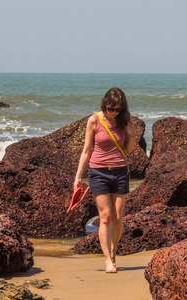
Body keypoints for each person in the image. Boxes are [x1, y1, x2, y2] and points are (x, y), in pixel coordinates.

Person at [74, 87, 137, 273]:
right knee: (106, 217)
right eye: (111, 108)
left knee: (118, 218)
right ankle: (108, 260)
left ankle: (113, 251)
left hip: (120, 172)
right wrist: (78, 177)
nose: (114, 112)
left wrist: (132, 135)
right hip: (98, 172)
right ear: (105, 105)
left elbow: (127, 150)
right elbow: (86, 151)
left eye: (118, 109)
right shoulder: (94, 120)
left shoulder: (123, 122)